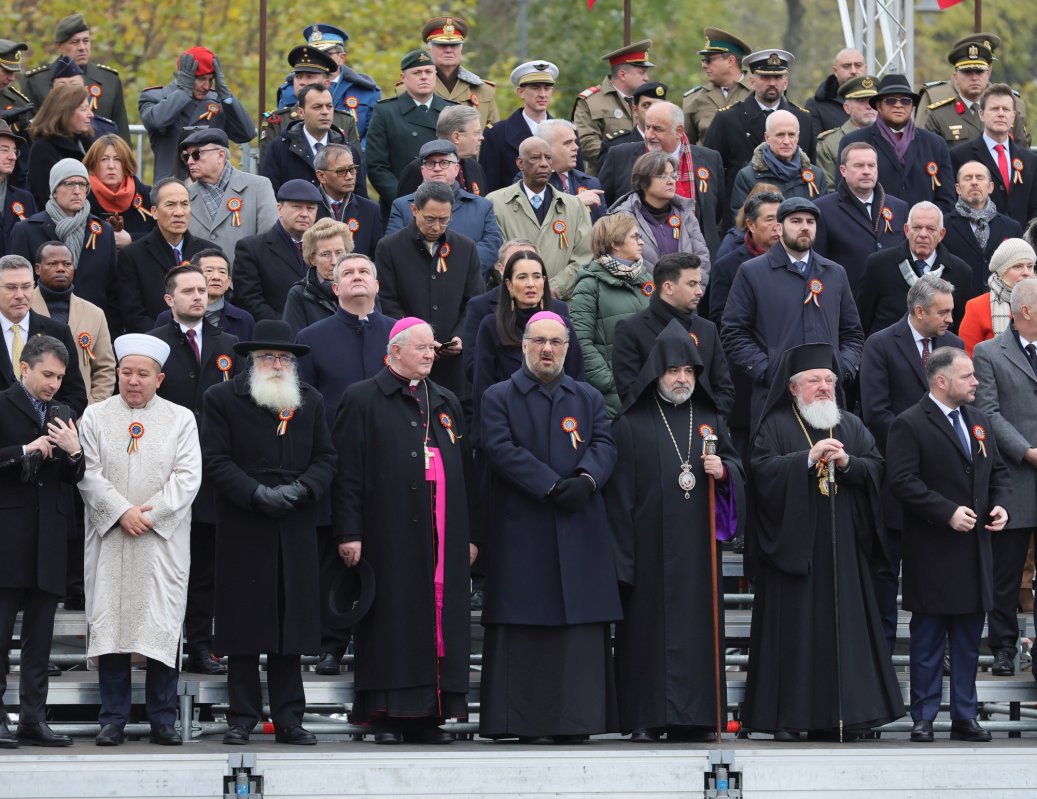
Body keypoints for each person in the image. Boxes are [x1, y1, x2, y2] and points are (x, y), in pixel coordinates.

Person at [742, 342, 904, 740]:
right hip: (795, 552)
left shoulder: (850, 424)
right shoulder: (775, 425)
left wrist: (848, 465)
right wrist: (806, 459)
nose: (824, 387)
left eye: (829, 380)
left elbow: (877, 469)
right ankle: (791, 718)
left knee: (848, 632)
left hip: (845, 549)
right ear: (794, 387)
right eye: (814, 380)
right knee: (796, 635)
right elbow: (761, 473)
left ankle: (852, 717)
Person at [479, 311, 621, 742]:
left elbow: (604, 442)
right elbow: (499, 447)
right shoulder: (498, 396)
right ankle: (528, 724)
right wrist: (549, 484)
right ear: (523, 346)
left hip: (579, 525)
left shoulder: (587, 397)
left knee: (578, 629)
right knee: (527, 627)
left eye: (556, 342)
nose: (547, 349)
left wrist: (586, 479)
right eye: (539, 341)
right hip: (524, 528)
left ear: (567, 348)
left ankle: (578, 722)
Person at [332, 317, 474, 743]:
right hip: (386, 533)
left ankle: (429, 716)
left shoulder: (445, 401)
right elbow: (348, 473)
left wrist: (468, 535)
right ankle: (387, 716)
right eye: (421, 348)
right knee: (392, 622)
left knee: (437, 621)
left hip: (440, 534)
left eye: (432, 348)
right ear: (394, 351)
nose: (430, 354)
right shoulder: (362, 398)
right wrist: (348, 532)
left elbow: (464, 470)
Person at [607, 319, 745, 742]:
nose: (682, 378)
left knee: (698, 634)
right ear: (656, 373)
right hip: (646, 551)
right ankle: (647, 718)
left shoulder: (710, 420)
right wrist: (623, 561)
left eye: (688, 371)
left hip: (698, 553)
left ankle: (700, 718)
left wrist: (724, 473)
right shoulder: (630, 425)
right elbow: (618, 502)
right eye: (673, 371)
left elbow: (738, 470)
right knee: (647, 636)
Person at [202, 320, 336, 746]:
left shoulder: (310, 401)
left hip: (295, 520)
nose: (277, 364)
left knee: (289, 626)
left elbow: (327, 458)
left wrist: (301, 488)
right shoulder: (222, 398)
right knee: (243, 624)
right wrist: (256, 493)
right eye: (268, 357)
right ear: (252, 360)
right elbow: (216, 460)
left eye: (283, 358)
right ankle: (241, 718)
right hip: (244, 521)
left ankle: (289, 719)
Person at [78, 333, 202, 746]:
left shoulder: (181, 418)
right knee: (112, 624)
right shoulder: (95, 416)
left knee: (160, 625)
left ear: (159, 379)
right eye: (126, 372)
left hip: (160, 542)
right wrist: (120, 512)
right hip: (110, 536)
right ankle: (112, 719)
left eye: (143, 374)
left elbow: (187, 478)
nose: (133, 381)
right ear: (116, 373)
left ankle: (162, 720)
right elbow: (88, 474)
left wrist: (147, 516)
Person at [887, 346, 1010, 743]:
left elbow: (999, 473)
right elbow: (903, 482)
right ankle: (922, 717)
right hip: (933, 551)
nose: (975, 382)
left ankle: (964, 716)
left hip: (974, 552)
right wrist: (946, 512)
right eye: (967, 376)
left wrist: (1002, 505)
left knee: (968, 642)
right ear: (941, 381)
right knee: (927, 641)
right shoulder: (909, 423)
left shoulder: (978, 420)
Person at [295, 252, 393, 674]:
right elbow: (303, 403)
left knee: (388, 554)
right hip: (333, 464)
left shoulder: (399, 335)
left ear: (377, 286)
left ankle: (381, 642)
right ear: (334, 289)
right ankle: (331, 644)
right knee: (336, 554)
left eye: (364, 272)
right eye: (347, 273)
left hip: (392, 464)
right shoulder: (312, 337)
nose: (356, 277)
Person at [859, 275, 963, 652]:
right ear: (919, 311)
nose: (952, 318)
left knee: (938, 573)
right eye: (944, 311)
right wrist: (920, 446)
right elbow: (875, 411)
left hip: (943, 484)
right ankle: (881, 651)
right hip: (895, 478)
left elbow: (962, 408)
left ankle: (939, 651)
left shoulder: (954, 345)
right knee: (886, 570)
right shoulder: (882, 344)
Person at [148, 264, 241, 675]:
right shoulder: (152, 344)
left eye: (203, 290)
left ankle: (200, 645)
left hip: (212, 471)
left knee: (204, 566)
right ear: (170, 299)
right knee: (161, 565)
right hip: (162, 471)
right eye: (188, 291)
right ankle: (158, 646)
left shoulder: (229, 344)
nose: (199, 297)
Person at [0, 334, 83, 749]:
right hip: (7, 539)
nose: (53, 383)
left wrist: (74, 452)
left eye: (60, 377)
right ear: (25, 368)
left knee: (40, 644)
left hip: (49, 541)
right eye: (47, 374)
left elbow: (76, 477)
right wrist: (22, 449)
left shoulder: (65, 412)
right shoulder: (1, 404)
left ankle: (33, 720)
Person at [721, 197, 864, 428]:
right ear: (779, 227)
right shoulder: (752, 272)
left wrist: (841, 368)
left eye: (810, 221)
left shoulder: (835, 273)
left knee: (827, 461)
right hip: (775, 396)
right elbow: (733, 332)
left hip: (826, 395)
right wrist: (768, 370)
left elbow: (853, 333)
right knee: (779, 462)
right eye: (796, 221)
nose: (805, 227)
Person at [973, 277, 1037, 677]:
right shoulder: (988, 353)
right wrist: (1028, 452)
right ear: (1026, 310)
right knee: (1006, 573)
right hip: (1014, 477)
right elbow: (989, 413)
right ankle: (1002, 647)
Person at [375, 181, 483, 398]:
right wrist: (417, 339)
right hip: (408, 361)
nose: (436, 227)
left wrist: (460, 336)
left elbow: (474, 301)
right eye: (430, 219)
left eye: (444, 220)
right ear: (414, 210)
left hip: (454, 366)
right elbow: (387, 301)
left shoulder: (466, 248)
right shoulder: (389, 248)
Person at [472, 250, 583, 432]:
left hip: (557, 423)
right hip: (508, 424)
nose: (531, 284)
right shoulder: (491, 326)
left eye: (537, 276)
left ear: (544, 282)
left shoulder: (563, 325)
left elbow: (577, 380)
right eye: (522, 277)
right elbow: (482, 388)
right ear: (508, 284)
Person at [597, 101, 726, 258]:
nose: (649, 135)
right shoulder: (620, 156)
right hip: (637, 261)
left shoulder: (709, 158)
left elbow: (717, 211)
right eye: (647, 127)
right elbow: (604, 208)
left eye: (657, 129)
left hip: (699, 261)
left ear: (679, 131)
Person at [612, 251, 733, 414]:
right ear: (668, 287)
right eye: (692, 284)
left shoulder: (707, 329)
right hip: (654, 433)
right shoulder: (630, 330)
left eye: (699, 283)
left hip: (703, 432)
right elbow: (630, 395)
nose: (700, 292)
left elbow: (724, 390)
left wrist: (706, 425)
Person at [9, 159, 118, 326]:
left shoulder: (103, 231)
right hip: (40, 325)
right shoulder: (27, 230)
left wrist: (111, 333)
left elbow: (113, 290)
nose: (77, 191)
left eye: (82, 184)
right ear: (54, 190)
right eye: (69, 184)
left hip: (90, 328)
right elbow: (15, 284)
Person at [486, 136, 592, 299]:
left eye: (548, 158)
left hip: (561, 305)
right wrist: (524, 287)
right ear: (520, 163)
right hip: (511, 304)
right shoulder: (495, 203)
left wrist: (554, 288)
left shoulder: (574, 206)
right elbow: (494, 256)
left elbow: (584, 257)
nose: (543, 163)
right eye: (535, 158)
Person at [569, 213, 652, 417]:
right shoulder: (589, 285)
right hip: (613, 397)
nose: (641, 242)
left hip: (650, 388)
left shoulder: (647, 279)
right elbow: (580, 341)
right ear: (615, 243)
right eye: (635, 237)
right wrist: (612, 381)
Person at [703, 49, 816, 197]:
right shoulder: (728, 118)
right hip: (743, 207)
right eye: (765, 77)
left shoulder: (802, 118)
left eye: (777, 77)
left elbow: (810, 168)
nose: (772, 83)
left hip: (792, 209)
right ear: (752, 82)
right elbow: (711, 172)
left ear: (786, 82)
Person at [837, 74, 955, 212]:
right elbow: (844, 192)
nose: (898, 105)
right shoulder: (853, 141)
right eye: (891, 101)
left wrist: (927, 223)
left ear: (912, 107)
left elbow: (947, 198)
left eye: (905, 101)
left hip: (923, 229)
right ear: (878, 106)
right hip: (874, 227)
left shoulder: (935, 143)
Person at [386, 139, 503, 276]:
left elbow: (492, 245)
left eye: (444, 162)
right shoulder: (402, 206)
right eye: (430, 163)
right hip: (418, 287)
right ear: (422, 170)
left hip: (468, 288)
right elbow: (394, 247)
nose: (437, 168)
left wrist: (455, 264)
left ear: (456, 168)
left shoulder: (482, 206)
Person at [139, 46, 255, 181]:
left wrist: (226, 95)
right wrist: (184, 91)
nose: (207, 86)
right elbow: (155, 122)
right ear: (184, 76)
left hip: (212, 186)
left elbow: (246, 134)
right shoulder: (155, 97)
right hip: (171, 187)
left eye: (211, 79)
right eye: (201, 79)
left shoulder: (218, 100)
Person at [856, 201, 972, 337]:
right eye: (916, 227)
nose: (923, 234)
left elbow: (959, 326)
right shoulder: (878, 265)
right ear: (906, 230)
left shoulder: (961, 272)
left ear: (941, 234)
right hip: (887, 353)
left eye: (931, 229)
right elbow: (861, 320)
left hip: (938, 354)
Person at [366, 50, 451, 221]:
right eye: (417, 73)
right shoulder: (386, 112)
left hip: (447, 204)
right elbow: (376, 166)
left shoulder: (450, 111)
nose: (424, 77)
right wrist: (404, 200)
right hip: (401, 205)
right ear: (403, 77)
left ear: (436, 75)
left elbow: (463, 158)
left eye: (428, 72)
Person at [117, 177, 210, 333]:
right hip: (155, 342)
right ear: (154, 212)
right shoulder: (132, 256)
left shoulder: (207, 253)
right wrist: (170, 336)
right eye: (170, 205)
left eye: (184, 204)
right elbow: (133, 314)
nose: (179, 212)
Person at [813, 142, 909, 292]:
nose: (866, 171)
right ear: (843, 170)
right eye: (859, 165)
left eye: (871, 166)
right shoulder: (823, 209)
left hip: (891, 301)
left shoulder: (899, 207)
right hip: (847, 299)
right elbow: (818, 263)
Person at [0, 254, 86, 414]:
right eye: (11, 287)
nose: (20, 295)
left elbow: (75, 395)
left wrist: (48, 425)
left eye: (26, 287)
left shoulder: (59, 332)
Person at [20, 14, 129, 142]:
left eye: (86, 41)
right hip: (54, 157)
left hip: (98, 157)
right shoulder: (36, 82)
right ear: (60, 47)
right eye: (75, 42)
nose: (82, 47)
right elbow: (28, 133)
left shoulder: (110, 80)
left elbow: (122, 135)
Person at [30, 240, 114, 404]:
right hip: (29, 410)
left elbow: (105, 367)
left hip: (80, 413)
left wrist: (93, 406)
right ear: (38, 268)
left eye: (67, 264)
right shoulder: (22, 309)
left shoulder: (95, 313)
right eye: (53, 263)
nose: (61, 268)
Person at [183, 128, 276, 269]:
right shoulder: (184, 195)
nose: (190, 161)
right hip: (198, 287)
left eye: (196, 154)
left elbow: (269, 241)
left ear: (221, 156)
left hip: (247, 283)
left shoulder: (259, 187)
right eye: (186, 156)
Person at [608, 151, 711, 276]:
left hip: (681, 294)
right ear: (643, 181)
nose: (671, 181)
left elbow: (702, 260)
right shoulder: (623, 218)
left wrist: (691, 290)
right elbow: (618, 263)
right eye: (662, 176)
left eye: (673, 176)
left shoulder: (686, 215)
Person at [950, 83, 1037, 230]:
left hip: (1020, 244)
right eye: (995, 109)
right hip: (978, 243)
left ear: (1013, 117)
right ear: (982, 114)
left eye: (1006, 109)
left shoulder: (1030, 160)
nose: (1001, 114)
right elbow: (953, 205)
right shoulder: (959, 156)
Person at [275, 24, 381, 144]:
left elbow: (372, 138)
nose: (319, 59)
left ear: (341, 57)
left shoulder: (365, 91)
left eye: (327, 54)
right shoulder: (290, 89)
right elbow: (281, 131)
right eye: (314, 54)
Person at [917, 37, 1029, 149]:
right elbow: (927, 156)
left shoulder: (1008, 112)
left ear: (988, 74)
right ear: (955, 77)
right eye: (967, 72)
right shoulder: (939, 115)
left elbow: (1023, 156)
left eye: (979, 71)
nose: (974, 77)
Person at [230, 179, 318, 321]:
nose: (304, 214)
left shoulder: (324, 249)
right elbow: (249, 300)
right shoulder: (251, 248)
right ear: (279, 209)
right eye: (297, 207)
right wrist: (286, 327)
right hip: (276, 337)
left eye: (310, 208)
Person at [260, 44, 361, 164]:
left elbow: (355, 166)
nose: (302, 82)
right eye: (298, 77)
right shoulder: (276, 121)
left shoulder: (345, 120)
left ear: (326, 83)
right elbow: (268, 168)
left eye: (310, 76)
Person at [571, 40, 654, 175]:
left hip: (648, 177)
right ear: (622, 74)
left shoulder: (648, 101)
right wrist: (628, 157)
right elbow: (585, 145)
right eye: (642, 72)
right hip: (607, 179)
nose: (647, 78)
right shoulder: (591, 101)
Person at [461, 238, 538, 380]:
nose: (524, 267)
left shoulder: (557, 309)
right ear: (501, 269)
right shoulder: (480, 307)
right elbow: (473, 366)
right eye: (515, 263)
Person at [260, 83, 357, 195]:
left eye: (329, 106)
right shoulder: (280, 149)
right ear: (301, 113)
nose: (325, 112)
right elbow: (270, 194)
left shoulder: (348, 150)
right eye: (317, 107)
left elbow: (358, 197)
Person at [941, 160, 1022, 294]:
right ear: (958, 188)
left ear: (990, 187)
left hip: (1001, 306)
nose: (974, 182)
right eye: (967, 178)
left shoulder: (1012, 227)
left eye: (979, 177)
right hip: (958, 307)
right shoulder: (943, 226)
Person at [480, 61, 559, 193]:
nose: (543, 94)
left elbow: (576, 180)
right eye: (535, 88)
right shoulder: (496, 134)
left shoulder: (566, 132)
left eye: (547, 88)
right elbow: (489, 187)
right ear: (521, 92)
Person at [707, 189, 782, 325]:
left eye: (780, 219)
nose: (777, 226)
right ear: (751, 225)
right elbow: (720, 319)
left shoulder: (796, 259)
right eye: (770, 219)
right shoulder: (727, 266)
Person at [730, 109, 826, 214]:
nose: (786, 141)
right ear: (767, 137)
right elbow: (741, 223)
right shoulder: (747, 177)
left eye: (791, 135)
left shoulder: (816, 176)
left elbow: (824, 218)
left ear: (798, 137)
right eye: (780, 135)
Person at [155, 247, 254, 341]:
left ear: (229, 282)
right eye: (209, 270)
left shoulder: (244, 320)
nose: (217, 277)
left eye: (222, 272)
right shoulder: (167, 318)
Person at [958, 237, 1036, 356]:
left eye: (1030, 266)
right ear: (1001, 271)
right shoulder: (977, 307)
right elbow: (968, 358)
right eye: (1018, 266)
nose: (1026, 272)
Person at [420, 16, 498, 128]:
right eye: (442, 45)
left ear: (461, 48)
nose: (448, 50)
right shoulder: (412, 87)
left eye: (454, 45)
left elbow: (494, 133)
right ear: (429, 49)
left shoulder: (483, 90)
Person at [396, 105, 488, 199]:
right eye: (476, 133)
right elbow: (406, 209)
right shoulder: (417, 169)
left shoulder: (475, 167)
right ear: (456, 137)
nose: (481, 137)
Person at [26, 84, 94, 208]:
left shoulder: (86, 143)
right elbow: (50, 198)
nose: (91, 114)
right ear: (65, 113)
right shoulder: (43, 149)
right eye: (84, 109)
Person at [282, 217, 352, 335]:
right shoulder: (299, 294)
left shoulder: (363, 289)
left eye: (339, 253)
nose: (334, 261)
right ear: (312, 259)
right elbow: (295, 344)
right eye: (325, 254)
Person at [683, 28, 752, 144]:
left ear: (730, 61)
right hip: (706, 162)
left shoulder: (758, 94)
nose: (704, 65)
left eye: (709, 60)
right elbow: (687, 146)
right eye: (703, 60)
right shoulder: (695, 99)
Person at [83, 134, 154, 248]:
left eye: (117, 159)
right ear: (93, 164)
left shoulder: (147, 195)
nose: (111, 166)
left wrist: (132, 239)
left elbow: (163, 236)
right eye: (104, 159)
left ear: (126, 163)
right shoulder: (81, 196)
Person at [314, 143, 382, 256]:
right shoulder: (308, 208)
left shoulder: (370, 210)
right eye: (341, 171)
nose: (350, 176)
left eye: (352, 169)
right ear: (321, 176)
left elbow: (376, 256)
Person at [814, 75, 879, 192]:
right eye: (862, 101)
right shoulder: (829, 143)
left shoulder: (889, 138)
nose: (869, 106)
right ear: (847, 108)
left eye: (872, 101)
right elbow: (829, 189)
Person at [538, 119, 605, 223]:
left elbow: (603, 230)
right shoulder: (529, 181)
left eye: (575, 141)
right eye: (567, 143)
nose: (576, 147)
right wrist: (575, 203)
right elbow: (535, 220)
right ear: (546, 148)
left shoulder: (590, 182)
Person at [805, 48, 866, 133]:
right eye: (846, 66)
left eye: (858, 65)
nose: (853, 71)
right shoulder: (816, 105)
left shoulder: (878, 100)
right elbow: (815, 144)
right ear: (835, 71)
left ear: (865, 68)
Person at [602, 81, 667, 156]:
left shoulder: (673, 141)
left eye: (658, 106)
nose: (652, 110)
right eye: (646, 105)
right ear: (635, 111)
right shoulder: (616, 146)